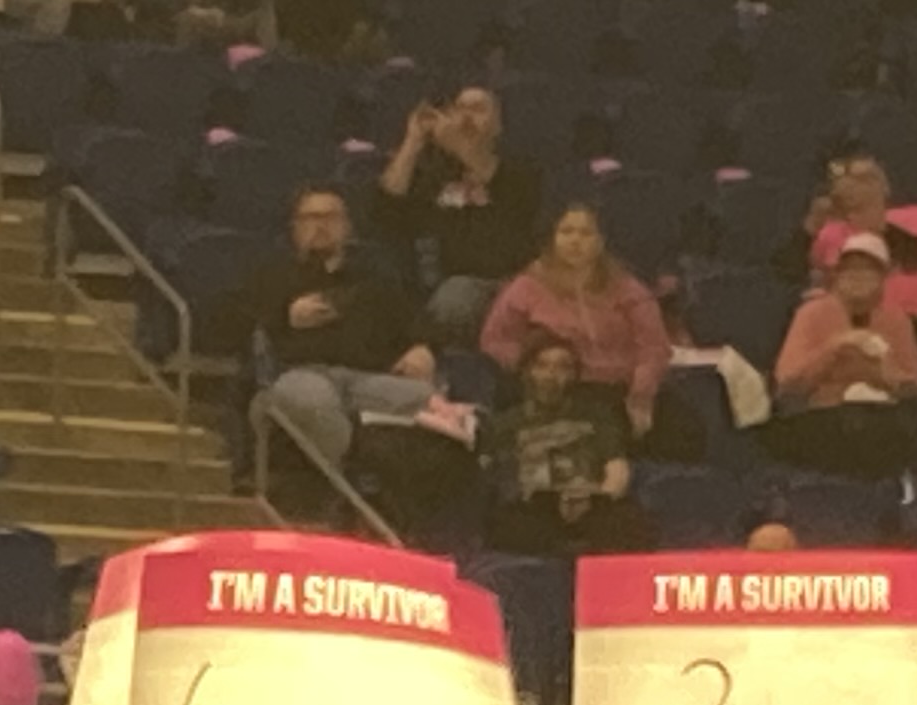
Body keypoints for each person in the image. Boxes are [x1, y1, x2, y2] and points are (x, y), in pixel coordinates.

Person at [255, 185, 435, 484]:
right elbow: (233, 326)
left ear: (347, 226)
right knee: (315, 402)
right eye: (311, 218)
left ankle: (393, 491)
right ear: (295, 228)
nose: (321, 225)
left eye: (331, 217)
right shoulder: (274, 275)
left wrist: (421, 347)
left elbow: (415, 320)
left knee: (427, 400)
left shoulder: (376, 276)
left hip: (366, 377)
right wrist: (285, 315)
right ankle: (349, 482)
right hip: (301, 373)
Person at [478, 204, 668, 440]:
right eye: (566, 232)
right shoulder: (527, 286)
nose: (575, 241)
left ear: (600, 241)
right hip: (555, 391)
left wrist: (641, 393)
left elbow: (654, 347)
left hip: (619, 389)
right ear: (553, 238)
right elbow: (495, 339)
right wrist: (533, 364)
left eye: (586, 233)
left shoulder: (628, 289)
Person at [377, 82, 542, 342]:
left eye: (477, 109)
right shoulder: (435, 174)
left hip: (500, 285)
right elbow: (387, 206)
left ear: (498, 125)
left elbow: (509, 198)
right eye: (460, 109)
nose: (466, 117)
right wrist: (412, 141)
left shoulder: (519, 171)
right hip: (434, 283)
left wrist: (457, 145)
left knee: (457, 294)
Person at [770, 239, 917, 477]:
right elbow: (787, 385)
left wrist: (886, 370)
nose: (858, 277)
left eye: (868, 270)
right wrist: (835, 347)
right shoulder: (811, 314)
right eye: (850, 269)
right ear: (837, 275)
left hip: (883, 424)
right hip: (824, 420)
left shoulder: (896, 320)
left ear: (883, 278)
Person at [480, 333, 642, 556]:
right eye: (542, 365)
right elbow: (496, 479)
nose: (551, 375)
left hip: (591, 504)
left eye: (562, 367)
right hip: (534, 509)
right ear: (526, 372)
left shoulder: (598, 416)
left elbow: (617, 469)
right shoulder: (504, 424)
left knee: (630, 523)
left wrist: (599, 498)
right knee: (508, 525)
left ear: (575, 375)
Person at [803, 143, 917, 324]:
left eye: (878, 204)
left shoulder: (910, 233)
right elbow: (821, 274)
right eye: (858, 209)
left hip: (908, 325)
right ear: (847, 213)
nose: (877, 214)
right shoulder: (833, 236)